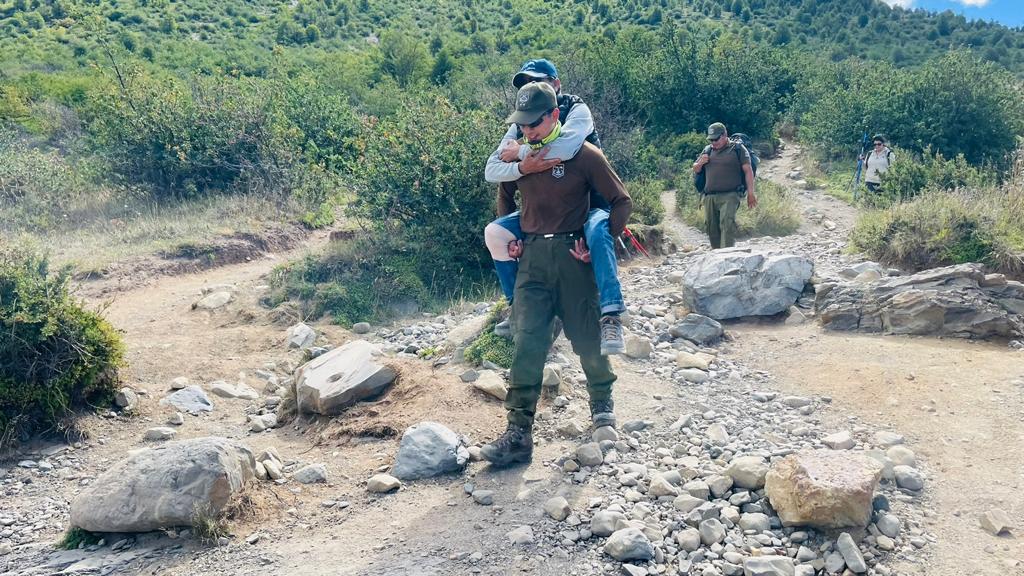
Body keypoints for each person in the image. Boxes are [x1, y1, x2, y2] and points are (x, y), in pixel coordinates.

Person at [480, 82, 633, 466]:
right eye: (522, 124)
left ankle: (601, 402)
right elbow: (505, 190)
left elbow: (621, 201)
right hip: (531, 259)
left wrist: (597, 245)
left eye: (533, 123)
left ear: (553, 117)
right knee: (527, 342)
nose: (527, 131)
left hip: (572, 256)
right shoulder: (519, 157)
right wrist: (511, 232)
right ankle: (518, 433)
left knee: (586, 338)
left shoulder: (583, 154)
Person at [483, 58, 626, 356]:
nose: (531, 89)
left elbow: (563, 148)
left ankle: (611, 315)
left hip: (589, 201)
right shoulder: (523, 124)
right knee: (495, 234)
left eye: (539, 82)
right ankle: (519, 310)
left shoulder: (577, 111)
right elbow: (493, 169)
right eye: (524, 85)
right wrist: (522, 166)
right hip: (544, 212)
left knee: (598, 231)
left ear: (556, 85)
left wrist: (522, 155)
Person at [692, 122, 757, 249]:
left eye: (716, 139)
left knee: (727, 224)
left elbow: (748, 171)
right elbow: (695, 168)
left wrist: (751, 193)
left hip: (730, 195)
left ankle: (727, 256)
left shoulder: (738, 149)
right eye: (711, 139)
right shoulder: (707, 150)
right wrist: (700, 163)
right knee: (711, 228)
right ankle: (717, 256)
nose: (713, 142)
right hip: (709, 196)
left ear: (724, 135)